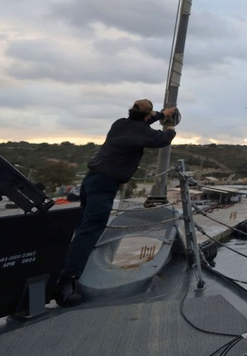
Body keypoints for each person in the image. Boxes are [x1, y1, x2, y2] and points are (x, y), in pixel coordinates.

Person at [55, 99, 178, 307]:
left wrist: (161, 114)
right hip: (104, 186)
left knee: (83, 229)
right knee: (90, 231)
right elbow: (162, 139)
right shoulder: (140, 132)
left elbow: (142, 124)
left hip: (90, 181)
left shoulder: (120, 123)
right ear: (147, 117)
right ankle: (65, 285)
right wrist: (170, 126)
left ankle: (65, 272)